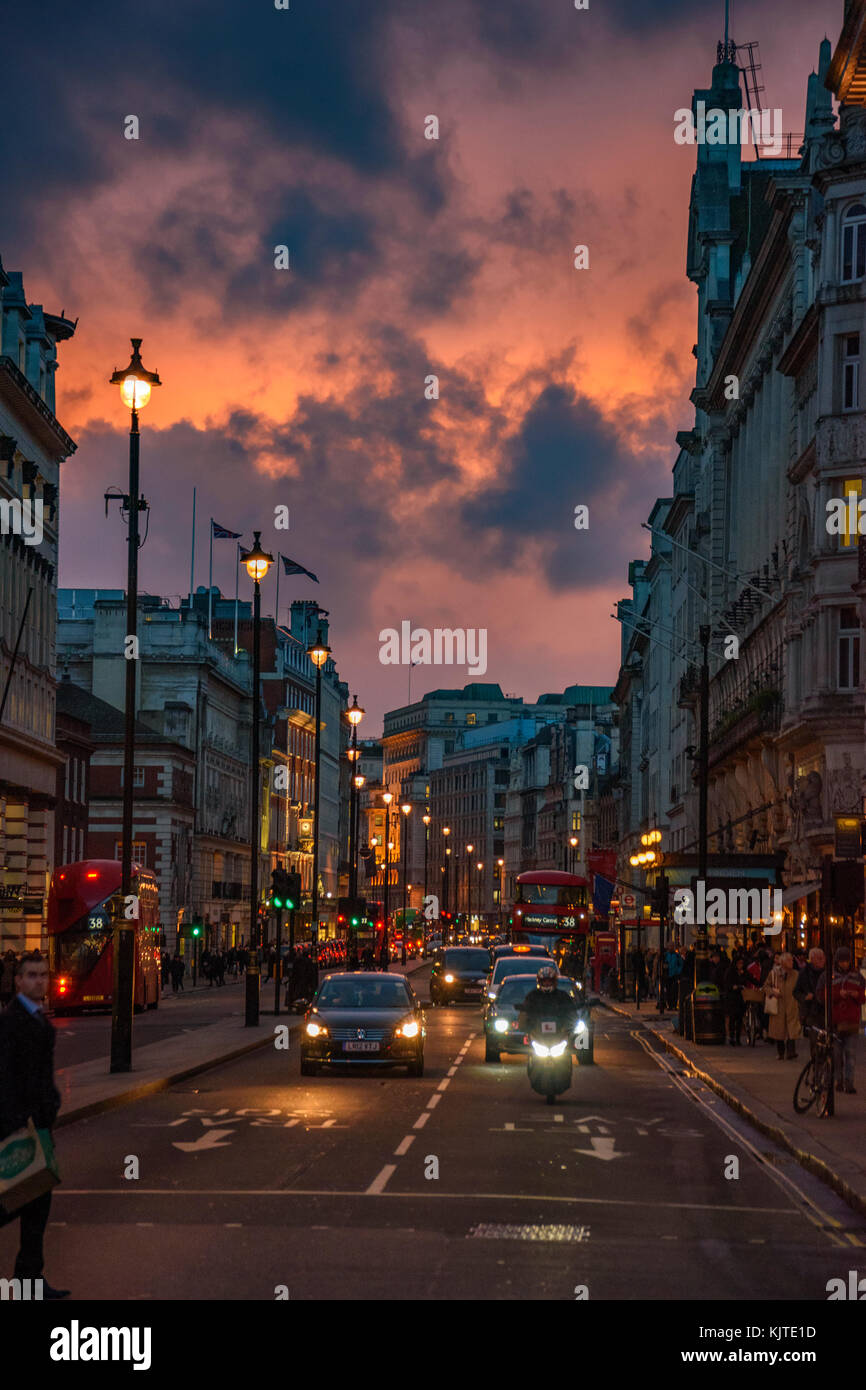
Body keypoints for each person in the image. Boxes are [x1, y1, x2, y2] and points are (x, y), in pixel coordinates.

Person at [0, 952, 68, 1298]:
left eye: (43, 975)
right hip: (20, 1126)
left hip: (38, 1124)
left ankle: (29, 1280)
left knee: (36, 1204)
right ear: (18, 981)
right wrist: (15, 1122)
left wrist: (51, 1104)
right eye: (31, 975)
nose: (39, 981)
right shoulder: (12, 1022)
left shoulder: (39, 1018)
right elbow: (7, 1077)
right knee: (14, 1201)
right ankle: (28, 1280)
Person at [817, 946, 865, 1094]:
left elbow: (863, 997)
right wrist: (838, 994)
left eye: (846, 961)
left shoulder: (857, 977)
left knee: (850, 1054)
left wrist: (857, 995)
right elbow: (821, 995)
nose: (844, 964)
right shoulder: (828, 976)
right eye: (842, 961)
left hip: (851, 1021)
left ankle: (849, 1082)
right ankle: (838, 1080)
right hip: (835, 1021)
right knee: (836, 1054)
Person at [518, 964, 577, 1035]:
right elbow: (525, 1013)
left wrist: (570, 1026)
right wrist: (525, 1025)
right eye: (544, 981)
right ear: (539, 982)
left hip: (559, 1034)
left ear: (554, 981)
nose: (546, 983)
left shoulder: (562, 996)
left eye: (549, 981)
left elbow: (571, 1013)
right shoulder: (532, 996)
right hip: (537, 1034)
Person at [763, 952, 801, 1059]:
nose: (792, 962)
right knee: (779, 1030)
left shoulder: (796, 974)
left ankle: (791, 1052)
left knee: (791, 1029)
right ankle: (781, 1052)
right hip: (778, 1005)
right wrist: (773, 992)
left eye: (792, 960)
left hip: (791, 1004)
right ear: (783, 962)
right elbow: (766, 986)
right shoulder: (774, 973)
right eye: (789, 960)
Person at [794, 947, 826, 1054]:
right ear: (812, 959)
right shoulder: (804, 973)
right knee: (814, 1037)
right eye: (819, 958)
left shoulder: (827, 972)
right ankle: (816, 1060)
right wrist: (805, 997)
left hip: (826, 1010)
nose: (822, 961)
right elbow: (796, 992)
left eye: (823, 958)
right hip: (812, 1011)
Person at [723, 956, 748, 1045]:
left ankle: (738, 1037)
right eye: (739, 963)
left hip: (740, 998)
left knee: (740, 1019)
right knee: (732, 1019)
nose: (740, 965)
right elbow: (727, 984)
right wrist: (734, 987)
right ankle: (732, 1037)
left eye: (742, 963)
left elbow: (750, 979)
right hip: (732, 998)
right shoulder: (730, 972)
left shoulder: (744, 972)